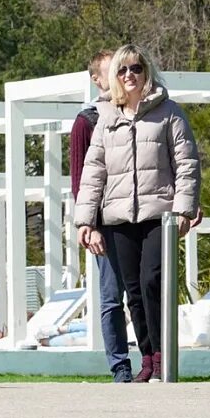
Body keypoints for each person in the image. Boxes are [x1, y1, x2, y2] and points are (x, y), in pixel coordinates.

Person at [75, 45, 201, 384]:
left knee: (151, 280)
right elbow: (93, 171)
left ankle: (162, 354)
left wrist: (184, 209)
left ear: (147, 72)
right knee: (132, 291)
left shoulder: (169, 112)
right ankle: (146, 357)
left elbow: (187, 163)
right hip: (119, 218)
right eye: (122, 70)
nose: (129, 75)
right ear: (114, 77)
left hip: (159, 215)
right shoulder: (106, 118)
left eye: (136, 68)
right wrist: (85, 221)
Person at [69, 50, 131, 382]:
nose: (121, 76)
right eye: (112, 71)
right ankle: (120, 366)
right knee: (111, 296)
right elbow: (80, 181)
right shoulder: (87, 121)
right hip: (104, 223)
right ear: (96, 79)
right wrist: (89, 225)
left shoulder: (136, 113)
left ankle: (155, 361)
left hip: (136, 219)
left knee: (145, 293)